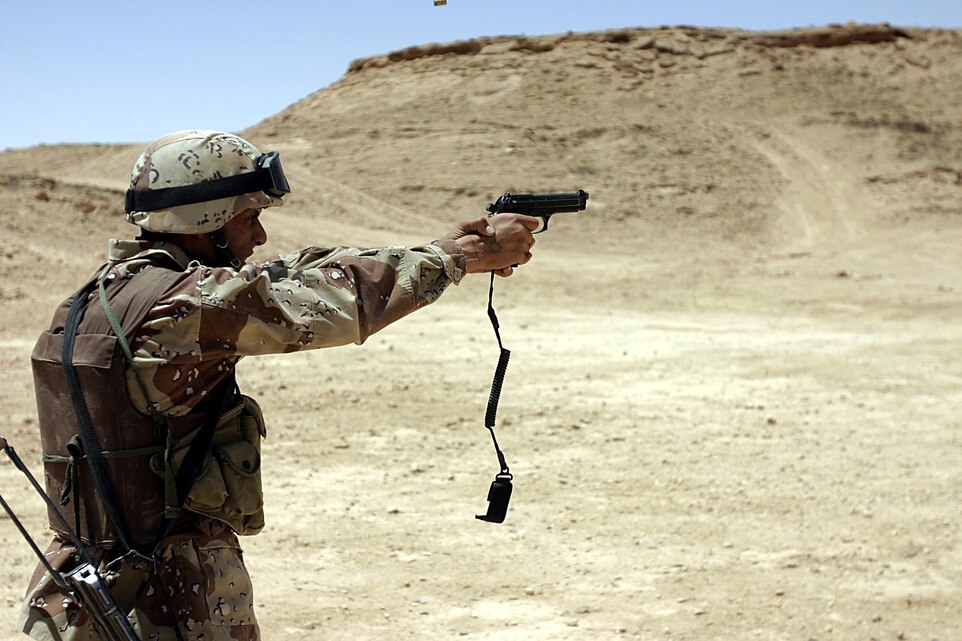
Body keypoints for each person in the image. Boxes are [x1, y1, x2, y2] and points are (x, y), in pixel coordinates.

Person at [17, 129, 538, 641]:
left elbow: (291, 273)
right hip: (167, 595)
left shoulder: (97, 297)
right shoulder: (184, 307)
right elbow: (338, 300)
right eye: (250, 218)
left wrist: (441, 246)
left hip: (77, 585)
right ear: (207, 219)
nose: (259, 236)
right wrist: (456, 258)